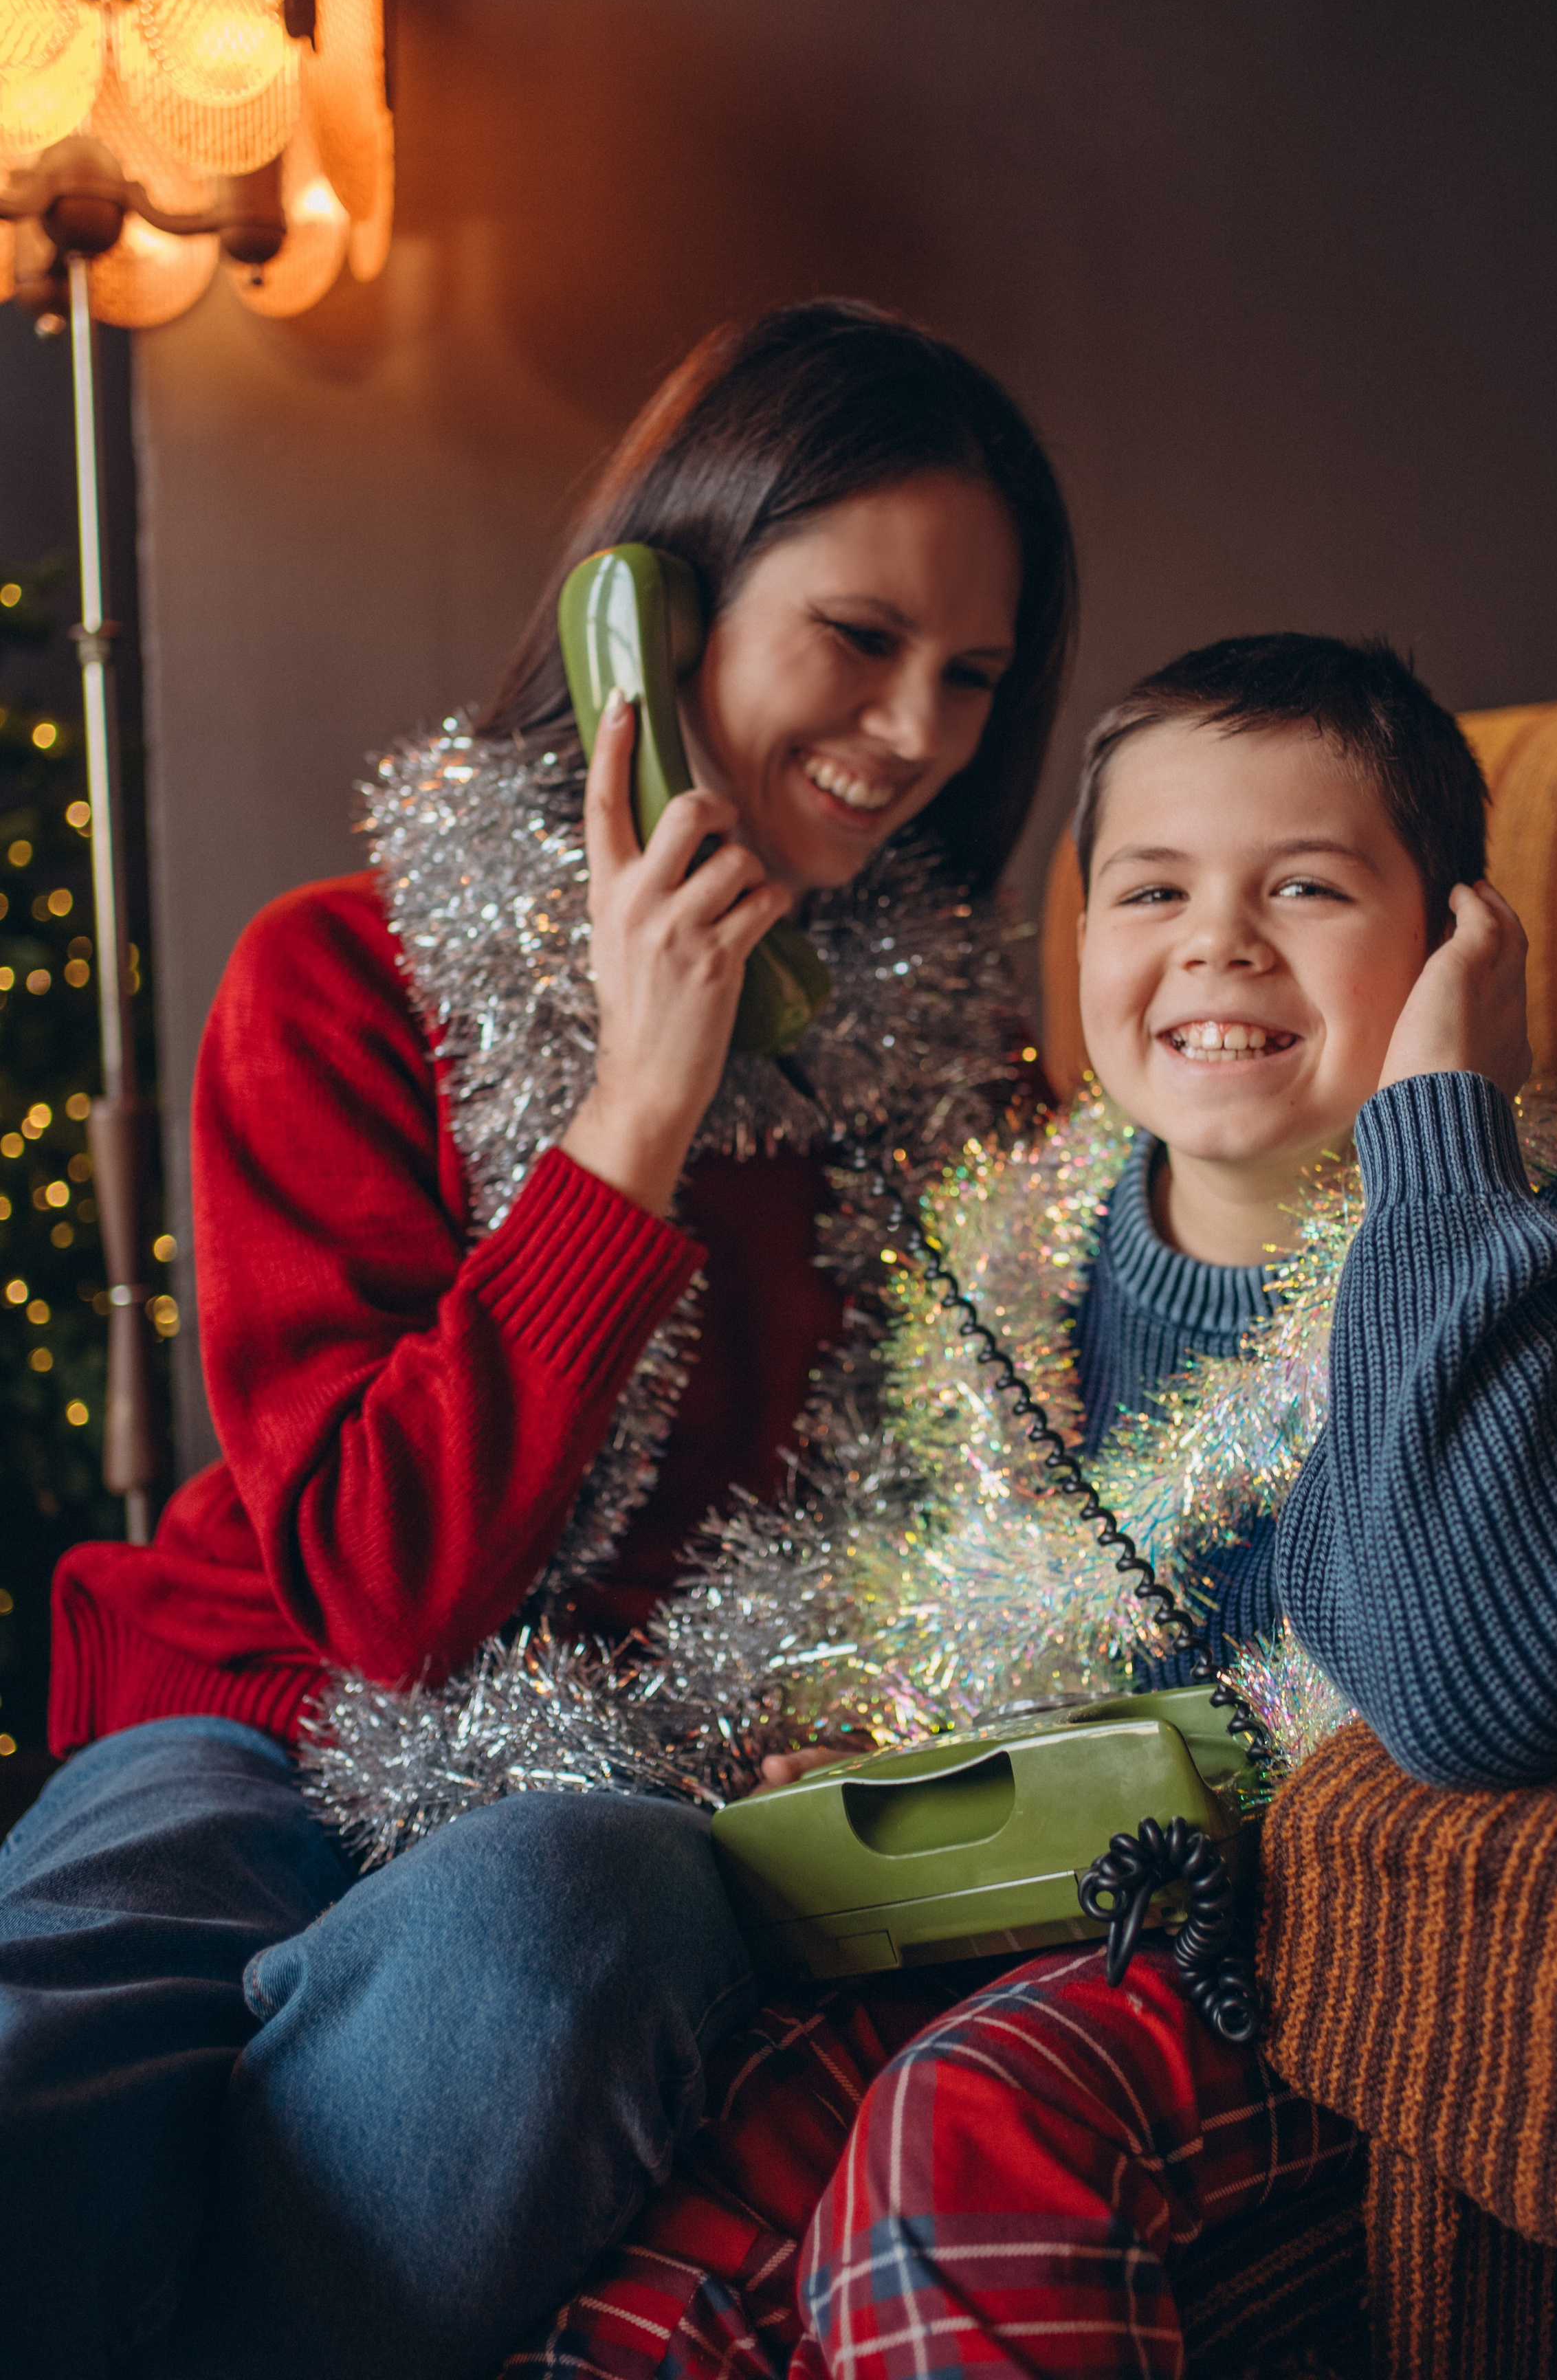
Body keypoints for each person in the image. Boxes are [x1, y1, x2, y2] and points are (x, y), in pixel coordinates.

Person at [0, 300, 1077, 2380]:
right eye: (860, 639)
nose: (921, 734)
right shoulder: (334, 981)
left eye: (975, 677)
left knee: (569, 1916)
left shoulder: (945, 1098)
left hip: (620, 1788)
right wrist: (631, 1117)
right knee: (71, 2002)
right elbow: (379, 1598)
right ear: (647, 624)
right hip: (251, 1710)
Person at [514, 633, 1557, 2380]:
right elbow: (930, 1612)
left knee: (966, 2131)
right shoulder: (1005, 1257)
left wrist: (1438, 1144)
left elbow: (1478, 1696)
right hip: (1012, 1919)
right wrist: (855, 1748)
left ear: (1453, 941)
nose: (1216, 940)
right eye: (1149, 888)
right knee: (711, 2154)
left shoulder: (1542, 1261)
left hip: (1304, 1969)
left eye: (1303, 885)